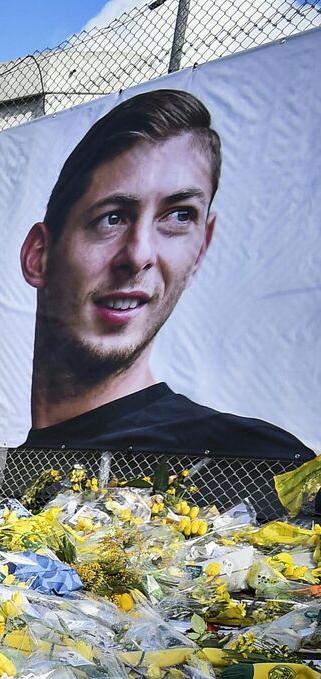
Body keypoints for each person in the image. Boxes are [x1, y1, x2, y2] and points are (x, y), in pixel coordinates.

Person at [19, 88, 309, 458]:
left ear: (201, 249)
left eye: (178, 216)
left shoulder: (251, 460)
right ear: (38, 256)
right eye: (112, 218)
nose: (138, 255)